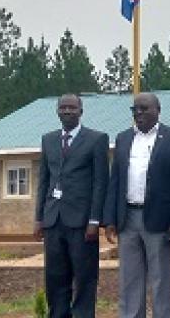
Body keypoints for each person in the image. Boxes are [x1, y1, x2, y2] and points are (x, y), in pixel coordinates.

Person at [104, 93, 170, 318]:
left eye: (144, 109)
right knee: (129, 279)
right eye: (135, 109)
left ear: (158, 110)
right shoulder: (123, 139)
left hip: (160, 221)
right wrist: (110, 219)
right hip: (127, 219)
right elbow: (115, 181)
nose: (139, 113)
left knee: (161, 280)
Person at [35, 94, 109, 318]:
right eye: (63, 107)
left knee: (84, 277)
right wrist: (39, 218)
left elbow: (100, 183)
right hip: (53, 220)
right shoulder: (48, 140)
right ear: (57, 111)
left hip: (82, 223)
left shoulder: (96, 139)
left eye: (72, 107)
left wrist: (95, 220)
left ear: (81, 111)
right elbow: (44, 181)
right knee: (55, 277)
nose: (67, 111)